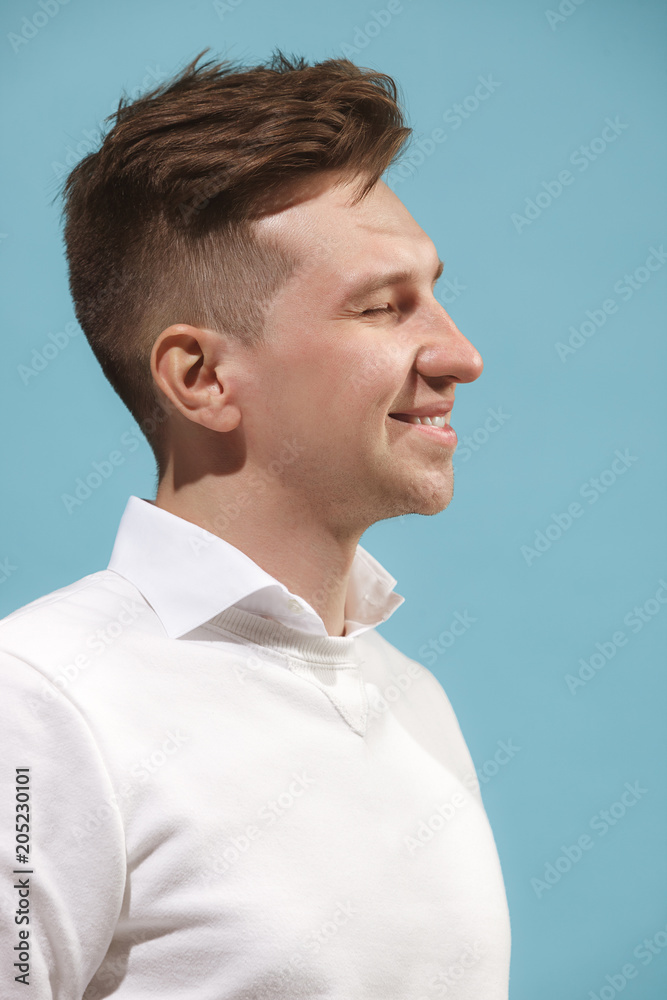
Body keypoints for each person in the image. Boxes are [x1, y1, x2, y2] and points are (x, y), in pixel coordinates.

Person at [1, 49, 511, 998]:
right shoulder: (36, 706)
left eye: (434, 293)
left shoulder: (411, 702)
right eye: (381, 308)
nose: (459, 354)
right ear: (200, 378)